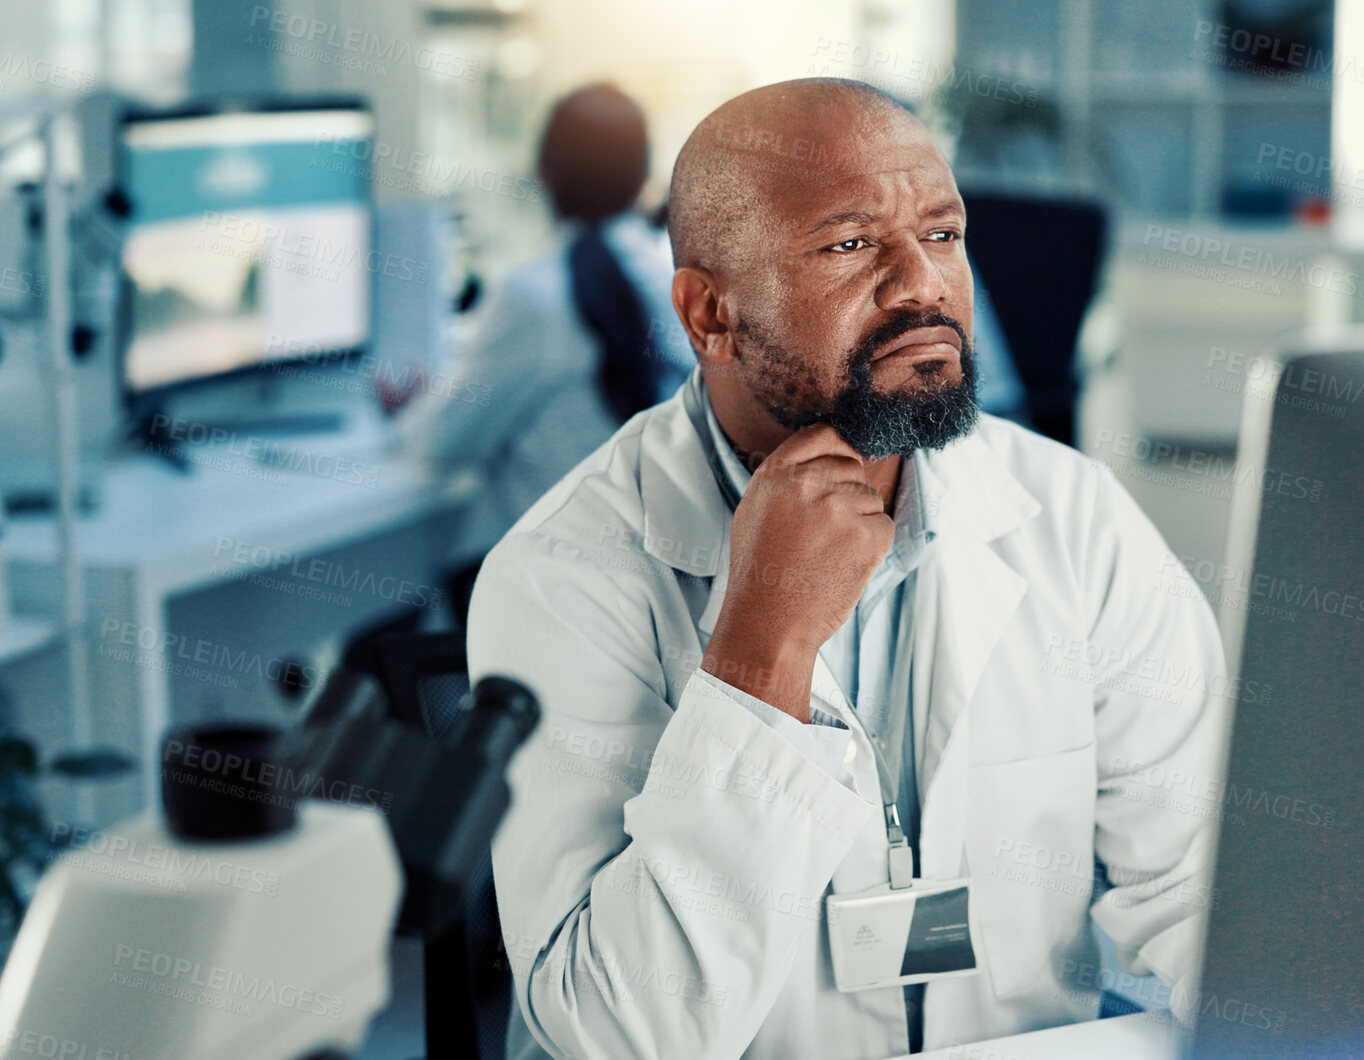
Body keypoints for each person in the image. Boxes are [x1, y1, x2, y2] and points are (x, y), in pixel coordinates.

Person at [468, 78, 1227, 1060]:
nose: (924, 285)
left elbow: (1203, 895)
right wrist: (759, 656)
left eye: (943, 236)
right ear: (708, 315)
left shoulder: (1074, 517)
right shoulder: (562, 574)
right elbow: (614, 1035)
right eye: (848, 244)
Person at [396, 83, 696, 574]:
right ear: (645, 174)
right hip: (663, 591)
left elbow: (440, 444)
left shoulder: (532, 295)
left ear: (544, 173)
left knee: (375, 641)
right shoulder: (681, 276)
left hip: (558, 600)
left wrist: (416, 406)